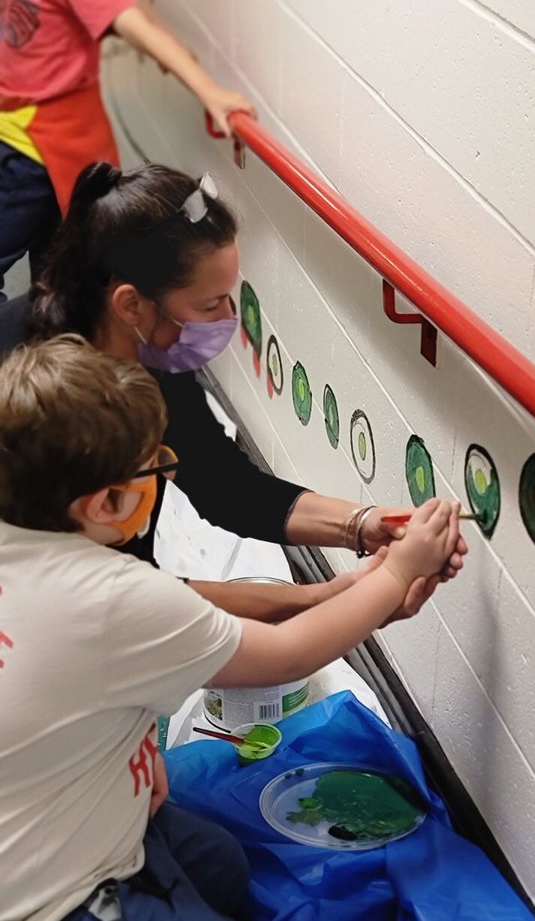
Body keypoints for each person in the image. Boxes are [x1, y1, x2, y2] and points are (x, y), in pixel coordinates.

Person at [0, 336, 462, 921]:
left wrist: (361, 585)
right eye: (153, 469)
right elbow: (283, 655)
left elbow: (183, 619)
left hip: (54, 820)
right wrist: (395, 579)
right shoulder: (112, 596)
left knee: (218, 868)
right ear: (104, 504)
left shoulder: (33, 544)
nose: (164, 474)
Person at [0, 160, 468, 620]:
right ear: (131, 305)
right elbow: (123, 600)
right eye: (210, 305)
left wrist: (363, 525)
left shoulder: (149, 356)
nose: (229, 318)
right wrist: (355, 597)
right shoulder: (25, 392)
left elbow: (223, 485)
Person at [0, 0, 255, 298]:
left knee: (60, 277)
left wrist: (207, 90)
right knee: (59, 278)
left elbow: (127, 17)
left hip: (33, 148)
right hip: (26, 133)